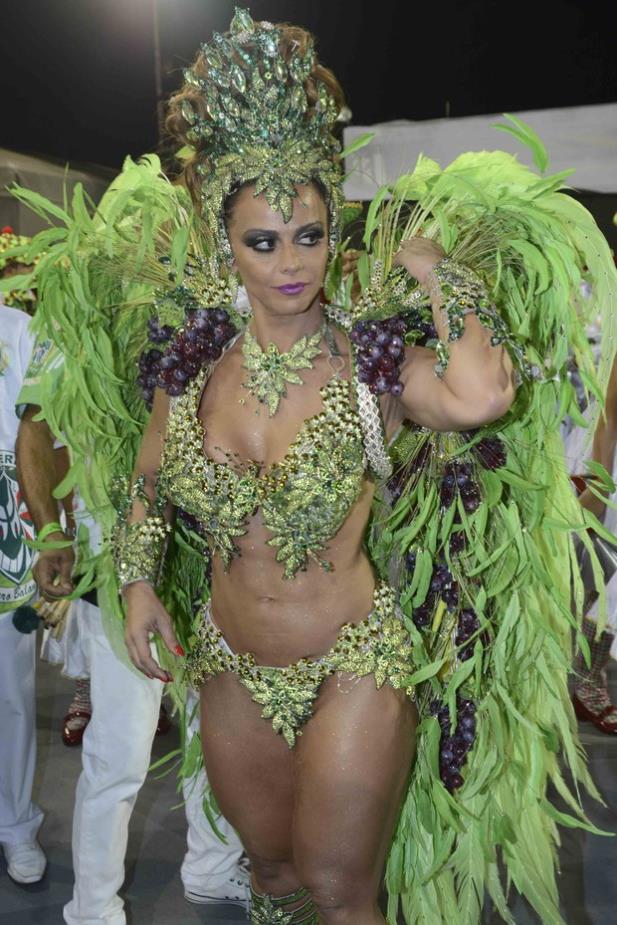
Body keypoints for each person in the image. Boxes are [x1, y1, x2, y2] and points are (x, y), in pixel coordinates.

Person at [9, 10, 616, 923]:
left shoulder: (372, 359)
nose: (291, 262)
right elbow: (148, 483)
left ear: (335, 230)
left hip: (352, 662)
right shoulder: (191, 366)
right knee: (272, 875)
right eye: (263, 241)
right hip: (227, 663)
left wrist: (436, 272)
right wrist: (136, 586)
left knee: (339, 890)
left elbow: (482, 392)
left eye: (310, 235)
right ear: (225, 240)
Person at [16, 331, 249, 922]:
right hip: (120, 571)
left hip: (219, 570)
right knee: (118, 754)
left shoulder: (231, 303)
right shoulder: (91, 312)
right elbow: (36, 428)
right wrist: (51, 530)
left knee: (219, 737)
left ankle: (213, 867)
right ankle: (93, 908)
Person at [0, 270, 45, 884]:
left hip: (8, 532)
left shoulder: (19, 331)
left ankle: (15, 826)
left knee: (11, 692)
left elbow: (45, 437)